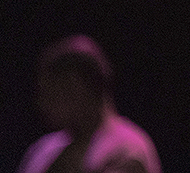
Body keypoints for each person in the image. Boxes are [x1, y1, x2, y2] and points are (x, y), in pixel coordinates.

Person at [16, 35, 161, 173]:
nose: (43, 103)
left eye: (52, 92)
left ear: (79, 88)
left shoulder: (127, 148)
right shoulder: (43, 149)